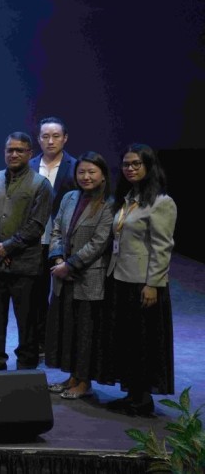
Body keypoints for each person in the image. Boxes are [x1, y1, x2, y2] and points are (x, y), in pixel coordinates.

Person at [105, 144, 177, 416]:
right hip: (121, 278)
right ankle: (132, 393)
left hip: (144, 283)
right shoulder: (129, 199)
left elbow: (162, 247)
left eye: (136, 164)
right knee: (127, 341)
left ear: (149, 166)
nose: (131, 168)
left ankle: (143, 399)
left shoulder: (161, 202)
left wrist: (153, 284)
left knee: (144, 343)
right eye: (126, 164)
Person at [0, 132, 53, 371]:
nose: (14, 154)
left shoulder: (41, 184)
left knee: (26, 319)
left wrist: (7, 247)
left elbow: (36, 225)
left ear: (30, 153)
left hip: (25, 264)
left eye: (20, 150)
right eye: (10, 150)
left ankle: (26, 364)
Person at [45, 152, 113, 399]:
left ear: (103, 175)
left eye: (92, 172)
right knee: (68, 330)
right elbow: (56, 230)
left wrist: (70, 266)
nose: (86, 176)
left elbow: (99, 243)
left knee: (85, 332)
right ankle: (72, 377)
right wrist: (58, 260)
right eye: (81, 172)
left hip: (88, 278)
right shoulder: (70, 197)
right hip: (63, 276)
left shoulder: (109, 204)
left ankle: (84, 382)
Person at [29, 117, 77, 354]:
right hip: (34, 241)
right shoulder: (29, 165)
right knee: (35, 295)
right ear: (38, 139)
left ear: (65, 138)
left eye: (56, 136)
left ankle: (61, 344)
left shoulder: (76, 166)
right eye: (45, 136)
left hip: (63, 241)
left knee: (62, 295)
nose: (50, 141)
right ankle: (39, 342)